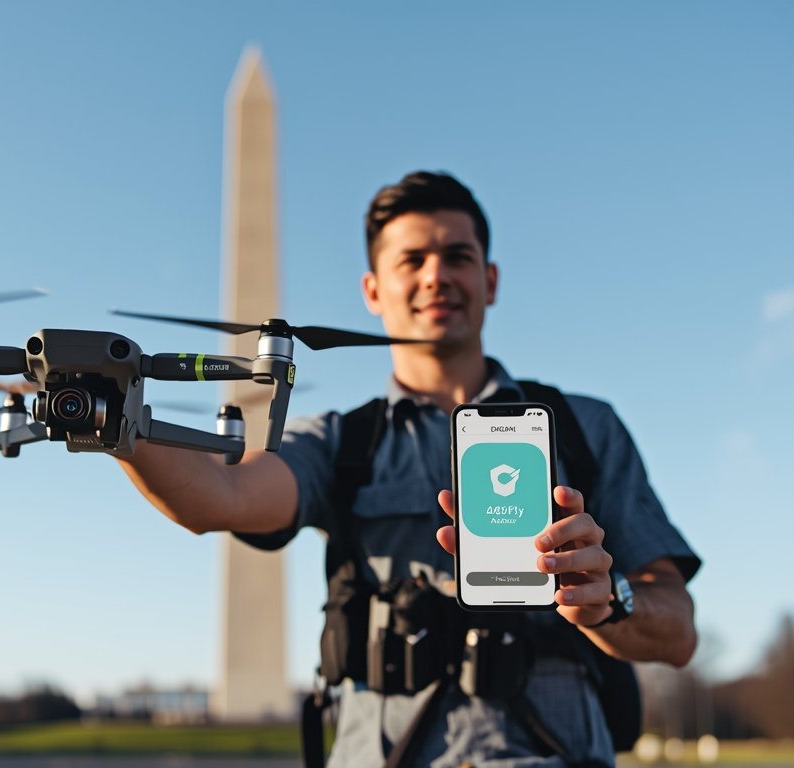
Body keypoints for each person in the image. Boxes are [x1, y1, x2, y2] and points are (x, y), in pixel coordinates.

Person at [116, 171, 699, 767]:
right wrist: (116, 418)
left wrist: (610, 599)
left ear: (490, 280)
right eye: (412, 259)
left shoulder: (585, 428)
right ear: (372, 290)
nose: (435, 276)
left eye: (457, 256)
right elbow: (220, 494)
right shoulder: (340, 443)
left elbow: (679, 631)